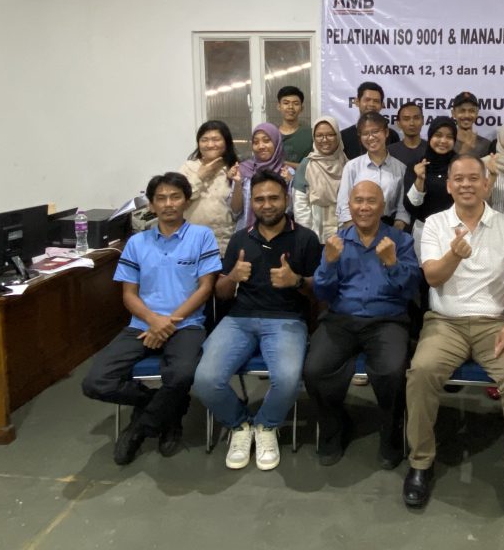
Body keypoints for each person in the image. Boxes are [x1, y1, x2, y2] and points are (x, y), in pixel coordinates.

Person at [403, 155, 504, 517]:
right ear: (448, 186)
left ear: (486, 184)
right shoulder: (435, 223)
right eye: (458, 179)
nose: (466, 184)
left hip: (495, 324)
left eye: (473, 178)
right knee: (421, 373)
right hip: (445, 322)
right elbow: (433, 277)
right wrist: (454, 255)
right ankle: (420, 462)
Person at [82, 172, 221, 465]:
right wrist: (154, 321)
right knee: (95, 382)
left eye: (175, 197)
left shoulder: (202, 236)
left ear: (186, 201)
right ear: (152, 204)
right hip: (142, 324)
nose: (168, 204)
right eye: (161, 198)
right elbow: (128, 295)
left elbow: (205, 288)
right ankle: (167, 407)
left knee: (182, 375)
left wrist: (169, 322)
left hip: (186, 325)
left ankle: (139, 429)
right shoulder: (137, 243)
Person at [192, 170, 323, 471]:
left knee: (288, 381)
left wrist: (296, 280)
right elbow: (221, 292)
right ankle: (240, 426)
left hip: (287, 321)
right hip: (239, 319)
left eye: (273, 198)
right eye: (260, 199)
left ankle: (266, 425)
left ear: (286, 199)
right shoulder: (241, 238)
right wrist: (233, 277)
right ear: (252, 202)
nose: (266, 205)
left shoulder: (305, 238)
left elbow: (319, 292)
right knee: (205, 380)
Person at [305, 181, 421, 468]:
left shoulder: (400, 241)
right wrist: (329, 264)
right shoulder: (337, 242)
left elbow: (411, 291)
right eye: (358, 201)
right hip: (341, 319)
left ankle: (390, 431)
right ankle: (334, 428)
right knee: (315, 368)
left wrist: (392, 263)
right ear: (350, 206)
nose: (364, 207)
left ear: (383, 207)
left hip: (387, 320)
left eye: (371, 201)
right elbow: (323, 293)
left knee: (392, 371)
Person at [336, 111, 409, 230]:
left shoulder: (400, 168)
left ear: (386, 132)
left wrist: (394, 234)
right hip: (356, 229)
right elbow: (343, 205)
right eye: (365, 133)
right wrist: (357, 234)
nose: (370, 137)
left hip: (389, 229)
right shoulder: (352, 167)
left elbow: (403, 209)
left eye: (375, 131)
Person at [180, 120, 243, 254]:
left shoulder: (235, 169)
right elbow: (180, 201)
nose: (210, 145)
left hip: (225, 245)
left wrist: (237, 183)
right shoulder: (188, 168)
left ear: (226, 142)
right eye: (204, 140)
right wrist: (200, 176)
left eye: (216, 140)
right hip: (194, 245)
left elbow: (238, 210)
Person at [404, 117, 458, 250]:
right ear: (430, 137)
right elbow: (411, 207)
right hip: (424, 231)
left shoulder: (460, 165)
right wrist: (420, 179)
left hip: (455, 231)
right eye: (438, 135)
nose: (443, 141)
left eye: (449, 137)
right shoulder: (417, 165)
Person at [292, 116, 346, 241]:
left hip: (343, 234)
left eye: (330, 135)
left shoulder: (347, 164)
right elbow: (300, 206)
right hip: (316, 234)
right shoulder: (306, 165)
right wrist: (308, 237)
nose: (325, 140)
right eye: (319, 135)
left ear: (338, 136)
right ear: (314, 138)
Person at [237, 122, 294, 230]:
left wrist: (289, 183)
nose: (261, 146)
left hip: (280, 234)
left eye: (266, 141)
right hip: (247, 233)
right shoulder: (243, 171)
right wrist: (237, 184)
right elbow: (235, 211)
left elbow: (291, 210)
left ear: (276, 143)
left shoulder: (288, 173)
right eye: (256, 142)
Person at [341, 81, 401, 159]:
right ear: (357, 102)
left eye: (376, 101)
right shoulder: (343, 136)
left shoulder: (392, 135)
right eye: (367, 100)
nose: (371, 104)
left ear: (382, 105)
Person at [276, 85, 313, 167]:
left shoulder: (311, 134)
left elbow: (314, 167)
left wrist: (283, 164)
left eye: (296, 104)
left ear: (302, 108)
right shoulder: (270, 134)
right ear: (279, 106)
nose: (290, 107)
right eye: (286, 103)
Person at [450, 91, 492, 158]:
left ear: (477, 113)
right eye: (462, 111)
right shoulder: (446, 143)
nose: (467, 115)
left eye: (471, 111)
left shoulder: (486, 145)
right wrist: (464, 150)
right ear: (453, 113)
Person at [388, 101, 427, 172]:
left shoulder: (431, 149)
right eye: (406, 119)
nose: (412, 123)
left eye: (416, 118)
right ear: (399, 123)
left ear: (423, 120)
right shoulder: (389, 152)